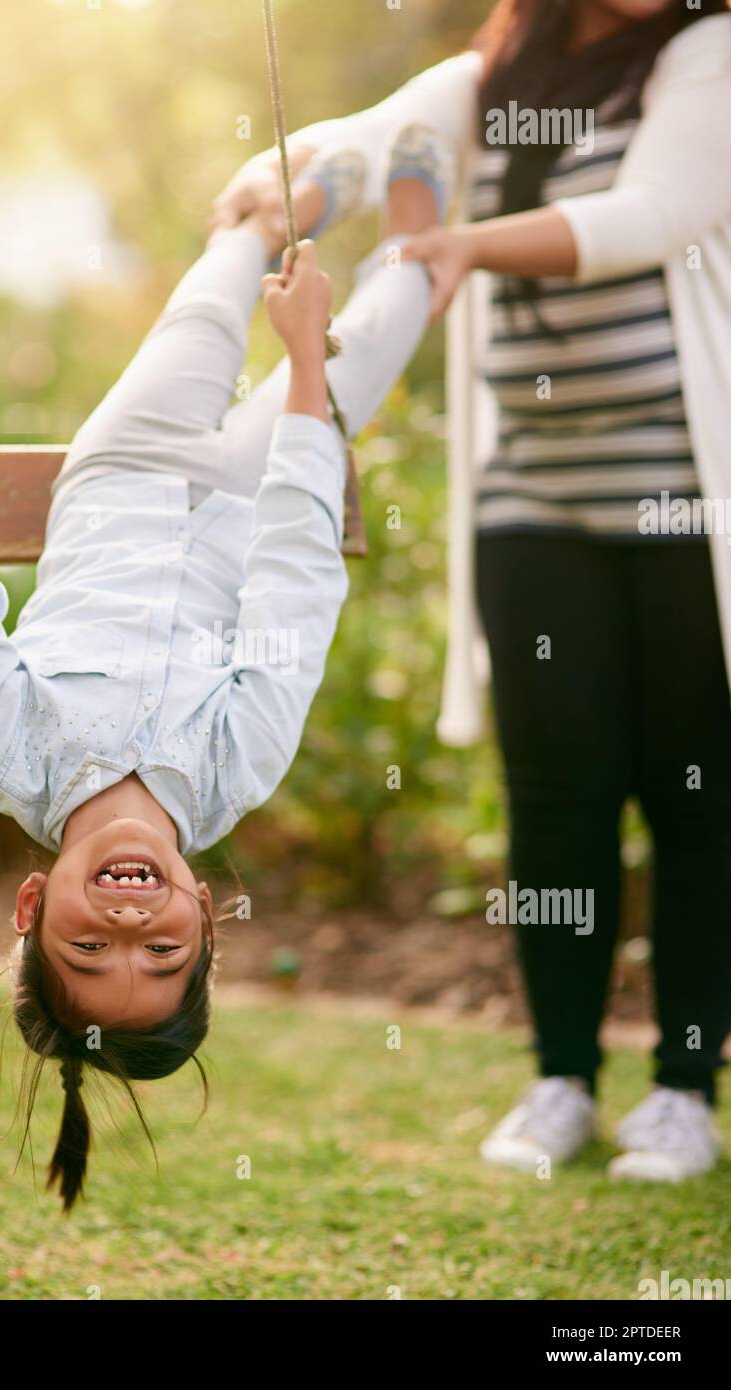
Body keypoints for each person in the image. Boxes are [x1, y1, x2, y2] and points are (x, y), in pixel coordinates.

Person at [0, 160, 432, 1206]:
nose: (128, 921)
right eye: (161, 950)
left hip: (122, 467)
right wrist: (301, 372)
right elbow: (294, 580)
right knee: (389, 309)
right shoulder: (235, 764)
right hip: (257, 493)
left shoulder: (8, 744)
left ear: (33, 901)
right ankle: (425, 212)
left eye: (88, 941)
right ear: (205, 911)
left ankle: (252, 215)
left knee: (220, 283)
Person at [212, 0, 731, 1181]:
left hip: (684, 502)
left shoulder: (709, 53)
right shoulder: (493, 77)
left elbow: (654, 213)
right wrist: (273, 197)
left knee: (695, 797)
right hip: (531, 504)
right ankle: (559, 1078)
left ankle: (685, 1090)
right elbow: (362, 144)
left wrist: (463, 246)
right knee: (556, 794)